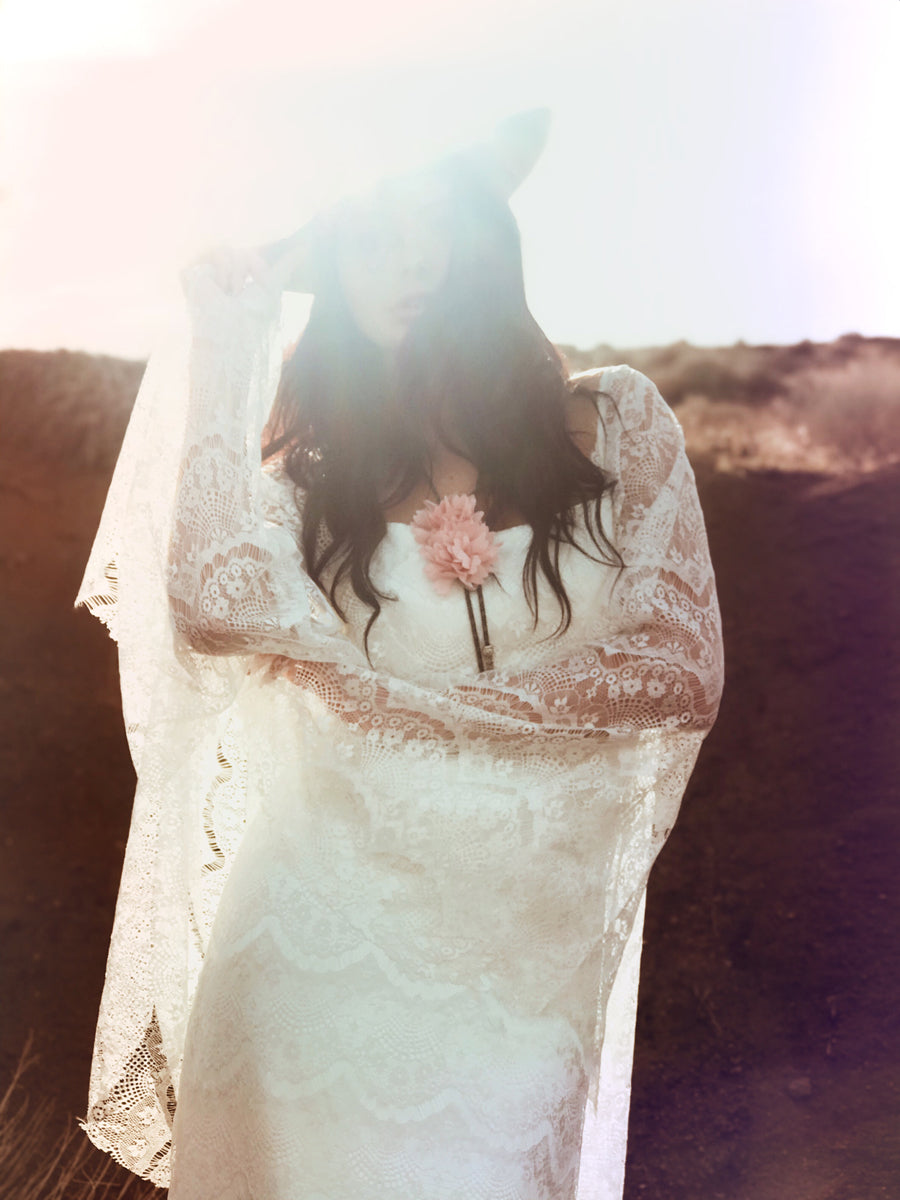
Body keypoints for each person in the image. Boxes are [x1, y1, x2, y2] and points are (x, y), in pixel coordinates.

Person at [75, 109, 724, 1200]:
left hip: (518, 998)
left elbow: (681, 664)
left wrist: (438, 714)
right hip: (308, 974)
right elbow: (210, 597)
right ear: (331, 266)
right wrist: (237, 324)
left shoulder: (614, 430)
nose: (412, 259)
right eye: (369, 235)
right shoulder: (312, 489)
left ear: (487, 237)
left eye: (436, 224)